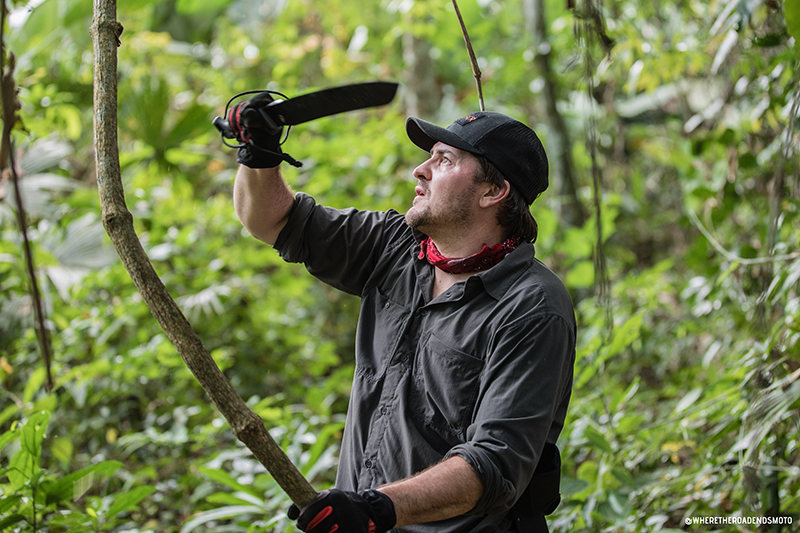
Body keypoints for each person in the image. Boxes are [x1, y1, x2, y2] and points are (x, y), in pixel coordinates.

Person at [227, 95, 576, 533]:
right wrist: (259, 154)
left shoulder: (531, 306)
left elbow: (493, 464)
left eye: (444, 160)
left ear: (494, 191)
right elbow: (268, 220)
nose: (420, 170)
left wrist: (375, 510)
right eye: (428, 158)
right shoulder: (395, 248)